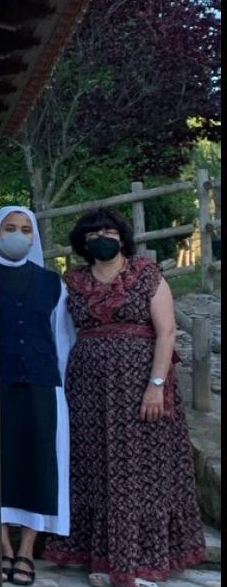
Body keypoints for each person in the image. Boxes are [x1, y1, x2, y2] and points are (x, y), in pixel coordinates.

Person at [43, 208, 204, 587]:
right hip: (88, 390)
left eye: (110, 231)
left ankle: (140, 560)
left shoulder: (146, 274)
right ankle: (101, 556)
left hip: (141, 386)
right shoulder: (74, 281)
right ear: (83, 242)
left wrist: (157, 385)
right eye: (94, 232)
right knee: (95, 467)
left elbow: (166, 332)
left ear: (122, 237)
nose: (103, 237)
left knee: (141, 470)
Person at [0, 206, 75, 586]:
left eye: (25, 229)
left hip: (43, 383)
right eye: (9, 228)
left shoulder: (52, 283)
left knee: (40, 462)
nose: (17, 234)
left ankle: (26, 549)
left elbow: (62, 338)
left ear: (33, 236)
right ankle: (2, 548)